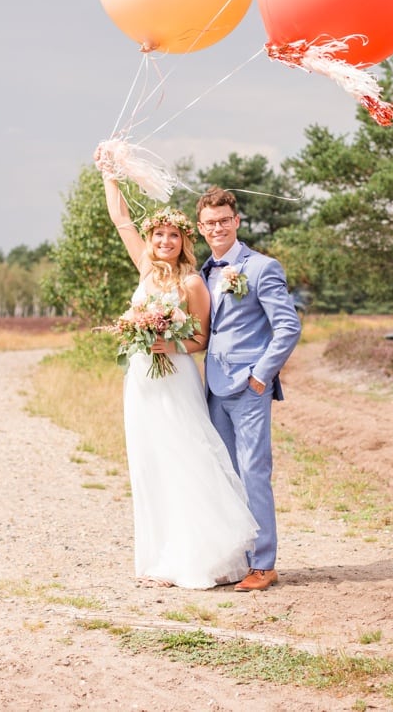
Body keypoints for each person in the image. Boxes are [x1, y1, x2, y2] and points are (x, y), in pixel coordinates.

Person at [101, 170, 258, 589]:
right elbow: (121, 220)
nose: (165, 242)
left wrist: (168, 345)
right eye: (159, 236)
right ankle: (165, 557)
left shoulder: (193, 282)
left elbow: (201, 339)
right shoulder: (145, 272)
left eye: (173, 235)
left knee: (187, 457)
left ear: (184, 241)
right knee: (151, 463)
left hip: (175, 377)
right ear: (151, 241)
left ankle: (206, 556)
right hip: (141, 381)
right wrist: (109, 174)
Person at [195, 186, 301, 592]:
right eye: (209, 223)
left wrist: (262, 374)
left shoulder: (260, 267)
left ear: (236, 221)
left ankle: (264, 563)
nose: (217, 228)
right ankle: (236, 558)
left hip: (249, 387)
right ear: (201, 228)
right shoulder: (205, 272)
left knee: (254, 472)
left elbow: (288, 326)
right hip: (213, 388)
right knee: (226, 474)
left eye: (224, 220)